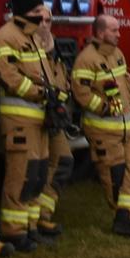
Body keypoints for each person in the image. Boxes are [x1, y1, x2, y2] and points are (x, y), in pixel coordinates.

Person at [0, 0, 60, 249]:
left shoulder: (32, 37)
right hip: (19, 118)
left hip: (39, 117)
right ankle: (13, 230)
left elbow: (44, 72)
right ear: (22, 12)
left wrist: (53, 95)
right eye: (35, 13)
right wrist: (39, 93)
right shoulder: (7, 37)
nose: (41, 18)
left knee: (37, 173)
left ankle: (29, 226)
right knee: (20, 174)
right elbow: (7, 75)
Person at [73, 15, 130, 237]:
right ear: (100, 33)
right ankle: (124, 219)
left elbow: (124, 85)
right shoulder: (86, 60)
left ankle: (129, 217)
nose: (119, 33)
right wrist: (104, 108)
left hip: (126, 130)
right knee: (115, 176)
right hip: (103, 131)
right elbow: (81, 92)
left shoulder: (117, 54)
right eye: (114, 30)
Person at [33, 18, 77, 240]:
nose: (45, 24)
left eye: (49, 20)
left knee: (63, 161)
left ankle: (43, 215)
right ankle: (29, 223)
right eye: (40, 19)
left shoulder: (54, 49)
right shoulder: (30, 50)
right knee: (33, 170)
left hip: (53, 121)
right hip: (33, 120)